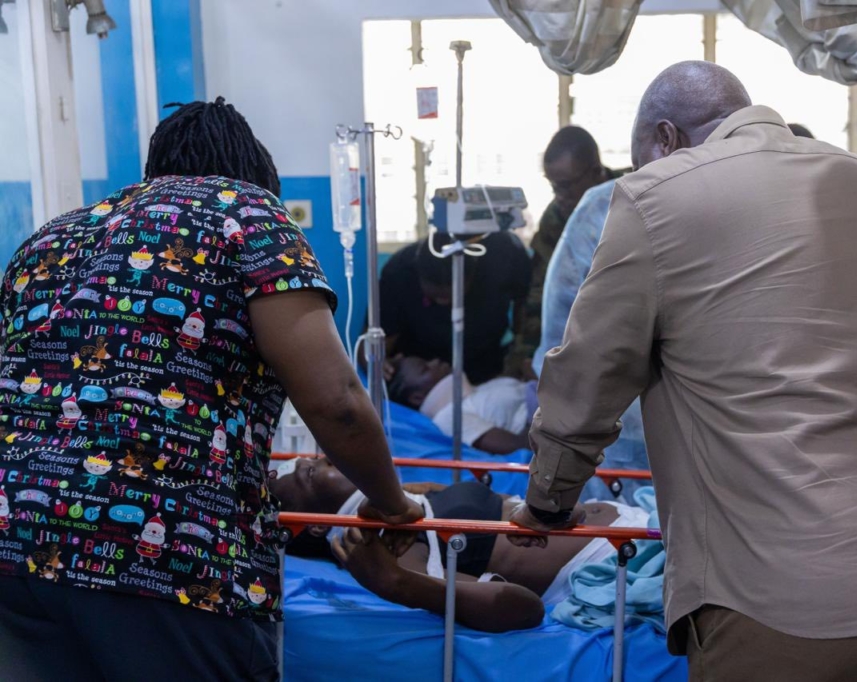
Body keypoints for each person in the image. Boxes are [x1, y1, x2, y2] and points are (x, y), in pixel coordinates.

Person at [510, 61, 857, 679]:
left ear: (666, 140)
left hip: (791, 605)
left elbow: (585, 387)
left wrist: (546, 504)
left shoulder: (655, 198)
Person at [0, 98, 422, 682]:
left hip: (15, 543)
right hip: (168, 558)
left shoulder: (45, 242)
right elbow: (338, 404)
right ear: (255, 176)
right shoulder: (246, 215)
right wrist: (394, 505)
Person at [269, 455, 648, 633]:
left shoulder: (402, 505)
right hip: (627, 557)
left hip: (639, 519)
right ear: (318, 528)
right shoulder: (394, 556)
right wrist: (394, 583)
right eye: (311, 471)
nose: (322, 457)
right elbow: (523, 611)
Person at [532, 180, 648, 503]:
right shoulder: (606, 207)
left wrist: (544, 502)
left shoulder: (612, 206)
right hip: (618, 430)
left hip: (625, 423)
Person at [509, 127, 622, 379]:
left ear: (596, 172)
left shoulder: (634, 197)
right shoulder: (556, 220)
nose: (559, 197)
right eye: (553, 186)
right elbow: (543, 292)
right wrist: (529, 355)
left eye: (566, 186)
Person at [378, 232, 530, 385]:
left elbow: (526, 308)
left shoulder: (504, 254)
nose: (444, 302)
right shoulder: (398, 273)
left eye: (453, 296)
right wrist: (377, 363)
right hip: (426, 379)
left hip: (487, 363)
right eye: (436, 297)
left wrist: (520, 356)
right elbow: (376, 343)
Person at [388, 355, 532, 454]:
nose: (436, 361)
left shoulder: (476, 392)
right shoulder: (449, 417)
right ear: (416, 398)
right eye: (425, 369)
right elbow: (520, 446)